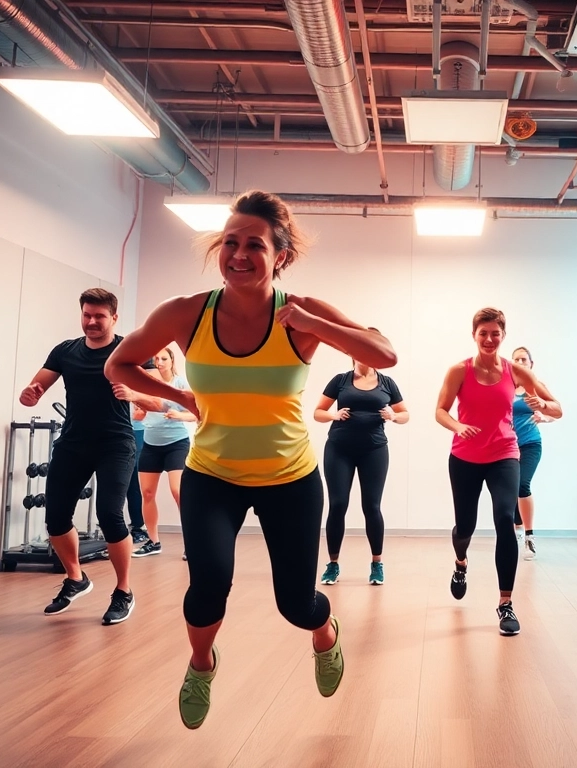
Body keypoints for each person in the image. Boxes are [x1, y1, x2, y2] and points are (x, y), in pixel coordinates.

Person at [105, 190, 397, 729]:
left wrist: (312, 324)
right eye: (231, 242)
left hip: (290, 479)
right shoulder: (186, 314)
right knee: (207, 586)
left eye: (254, 245)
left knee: (296, 605)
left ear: (279, 255)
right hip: (212, 476)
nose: (239, 254)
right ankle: (200, 664)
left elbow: (384, 352)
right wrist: (180, 398)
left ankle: (325, 633)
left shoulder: (302, 313)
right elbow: (118, 367)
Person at [17, 287, 155, 625]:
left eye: (99, 316)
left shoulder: (130, 350)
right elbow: (35, 390)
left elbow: (158, 401)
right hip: (73, 443)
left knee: (110, 514)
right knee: (55, 517)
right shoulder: (65, 351)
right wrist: (29, 395)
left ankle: (123, 591)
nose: (92, 322)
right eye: (87, 315)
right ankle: (76, 578)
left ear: (114, 318)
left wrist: (133, 393)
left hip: (116, 444)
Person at [436, 309, 562, 636]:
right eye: (483, 334)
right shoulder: (458, 371)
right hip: (464, 456)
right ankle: (461, 563)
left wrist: (542, 406)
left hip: (505, 453)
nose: (490, 339)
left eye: (495, 334)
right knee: (465, 525)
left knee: (505, 518)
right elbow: (440, 410)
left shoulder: (516, 372)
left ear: (503, 335)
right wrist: (457, 425)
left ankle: (505, 603)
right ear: (474, 335)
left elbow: (557, 408)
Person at [313, 343, 409, 585]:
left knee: (372, 506)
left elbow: (405, 413)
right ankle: (332, 564)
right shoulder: (341, 380)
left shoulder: (387, 383)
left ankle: (377, 564)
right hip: (339, 449)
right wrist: (333, 415)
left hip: (374, 451)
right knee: (338, 504)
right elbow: (318, 412)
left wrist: (394, 416)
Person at [131, 344, 195, 558]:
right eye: (156, 359)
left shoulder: (179, 384)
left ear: (171, 361)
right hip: (151, 444)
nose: (159, 362)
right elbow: (140, 415)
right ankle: (154, 541)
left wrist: (179, 416)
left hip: (176, 444)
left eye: (163, 359)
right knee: (147, 494)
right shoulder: (146, 385)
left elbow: (196, 413)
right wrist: (137, 412)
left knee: (179, 492)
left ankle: (192, 543)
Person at [510, 346, 551, 559]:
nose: (520, 362)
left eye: (524, 359)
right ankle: (515, 527)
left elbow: (553, 410)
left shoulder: (535, 387)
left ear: (531, 364)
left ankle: (529, 536)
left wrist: (545, 417)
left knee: (522, 484)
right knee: (510, 489)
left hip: (530, 444)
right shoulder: (505, 387)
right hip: (507, 447)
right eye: (516, 359)